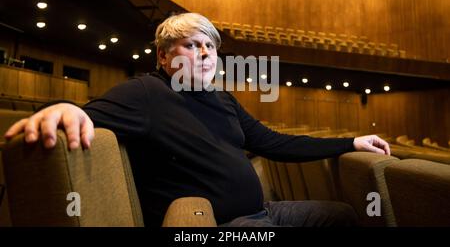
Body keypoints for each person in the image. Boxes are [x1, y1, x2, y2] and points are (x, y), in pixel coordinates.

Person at [4, 12, 391, 227]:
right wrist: (59, 107)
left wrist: (350, 143)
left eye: (210, 46)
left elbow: (273, 142)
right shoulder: (146, 93)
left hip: (264, 211)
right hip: (219, 228)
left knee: (341, 216)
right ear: (163, 57)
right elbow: (82, 112)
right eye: (192, 45)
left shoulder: (222, 97)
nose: (205, 53)